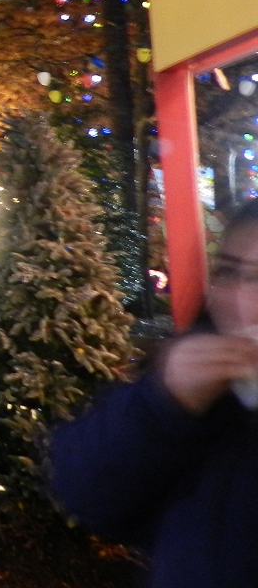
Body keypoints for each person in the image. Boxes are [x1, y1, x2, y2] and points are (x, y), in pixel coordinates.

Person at [49, 198, 258, 587]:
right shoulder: (197, 387)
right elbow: (87, 494)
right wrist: (161, 404)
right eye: (229, 272)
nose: (243, 304)